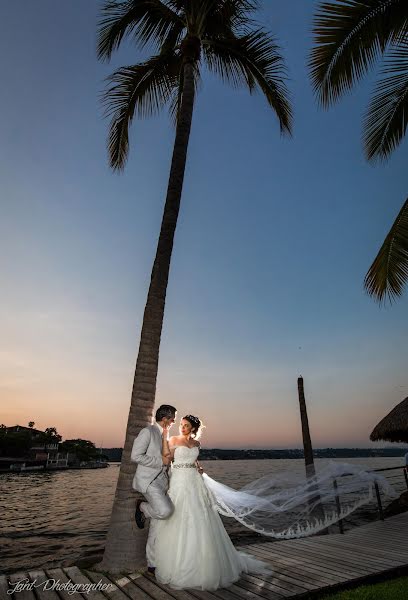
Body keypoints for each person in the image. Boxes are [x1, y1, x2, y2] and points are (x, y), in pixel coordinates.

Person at [153, 415, 272, 590]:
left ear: (193, 429)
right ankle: (178, 562)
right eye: (181, 425)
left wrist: (199, 467)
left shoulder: (196, 444)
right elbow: (166, 460)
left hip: (195, 480)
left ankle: (205, 565)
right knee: (179, 517)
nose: (182, 427)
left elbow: (193, 460)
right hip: (178, 481)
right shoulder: (173, 439)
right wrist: (164, 438)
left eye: (186, 426)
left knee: (201, 516)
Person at [131, 404, 177, 574]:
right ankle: (142, 507)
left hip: (163, 482)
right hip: (149, 482)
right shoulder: (148, 432)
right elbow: (135, 456)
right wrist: (160, 463)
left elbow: (167, 460)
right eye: (173, 419)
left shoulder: (166, 434)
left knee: (157, 524)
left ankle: (152, 562)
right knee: (165, 511)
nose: (174, 422)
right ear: (165, 418)